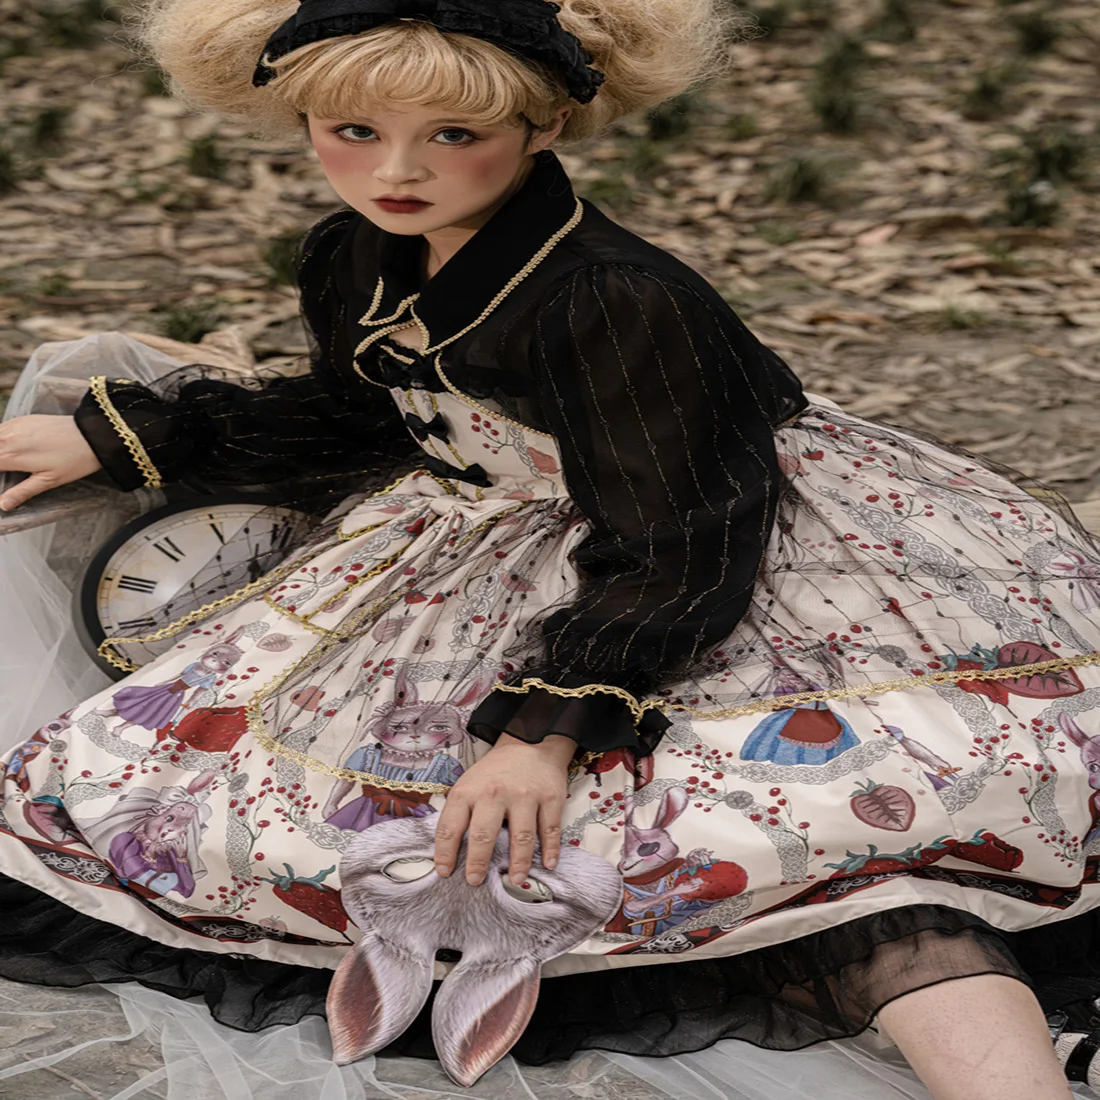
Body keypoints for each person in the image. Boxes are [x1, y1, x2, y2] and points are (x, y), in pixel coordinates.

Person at [1, 1, 1099, 1096]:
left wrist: (548, 724)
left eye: (453, 135)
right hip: (492, 537)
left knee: (812, 834)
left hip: (708, 554)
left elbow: (680, 532)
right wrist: (131, 433)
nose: (396, 170)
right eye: (353, 131)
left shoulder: (614, 295)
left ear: (546, 126)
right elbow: (365, 416)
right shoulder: (354, 250)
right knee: (213, 802)